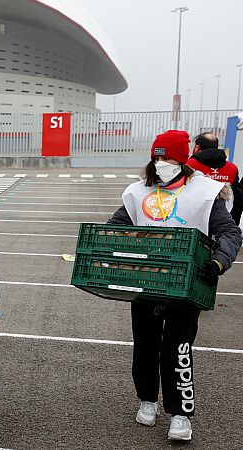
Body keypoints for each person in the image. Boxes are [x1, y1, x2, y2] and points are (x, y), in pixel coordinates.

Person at [107, 130, 242, 441]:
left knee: (177, 347)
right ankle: (147, 399)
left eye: (167, 158)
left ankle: (180, 413)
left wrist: (218, 262)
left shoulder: (205, 193)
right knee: (145, 344)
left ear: (182, 160)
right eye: (157, 157)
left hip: (187, 285)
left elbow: (230, 233)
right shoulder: (138, 192)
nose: (161, 163)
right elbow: (115, 227)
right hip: (145, 282)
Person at [185, 132, 242, 225]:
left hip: (194, 219)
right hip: (223, 220)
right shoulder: (232, 168)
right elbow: (237, 199)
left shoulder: (188, 165)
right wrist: (234, 223)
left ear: (197, 147)